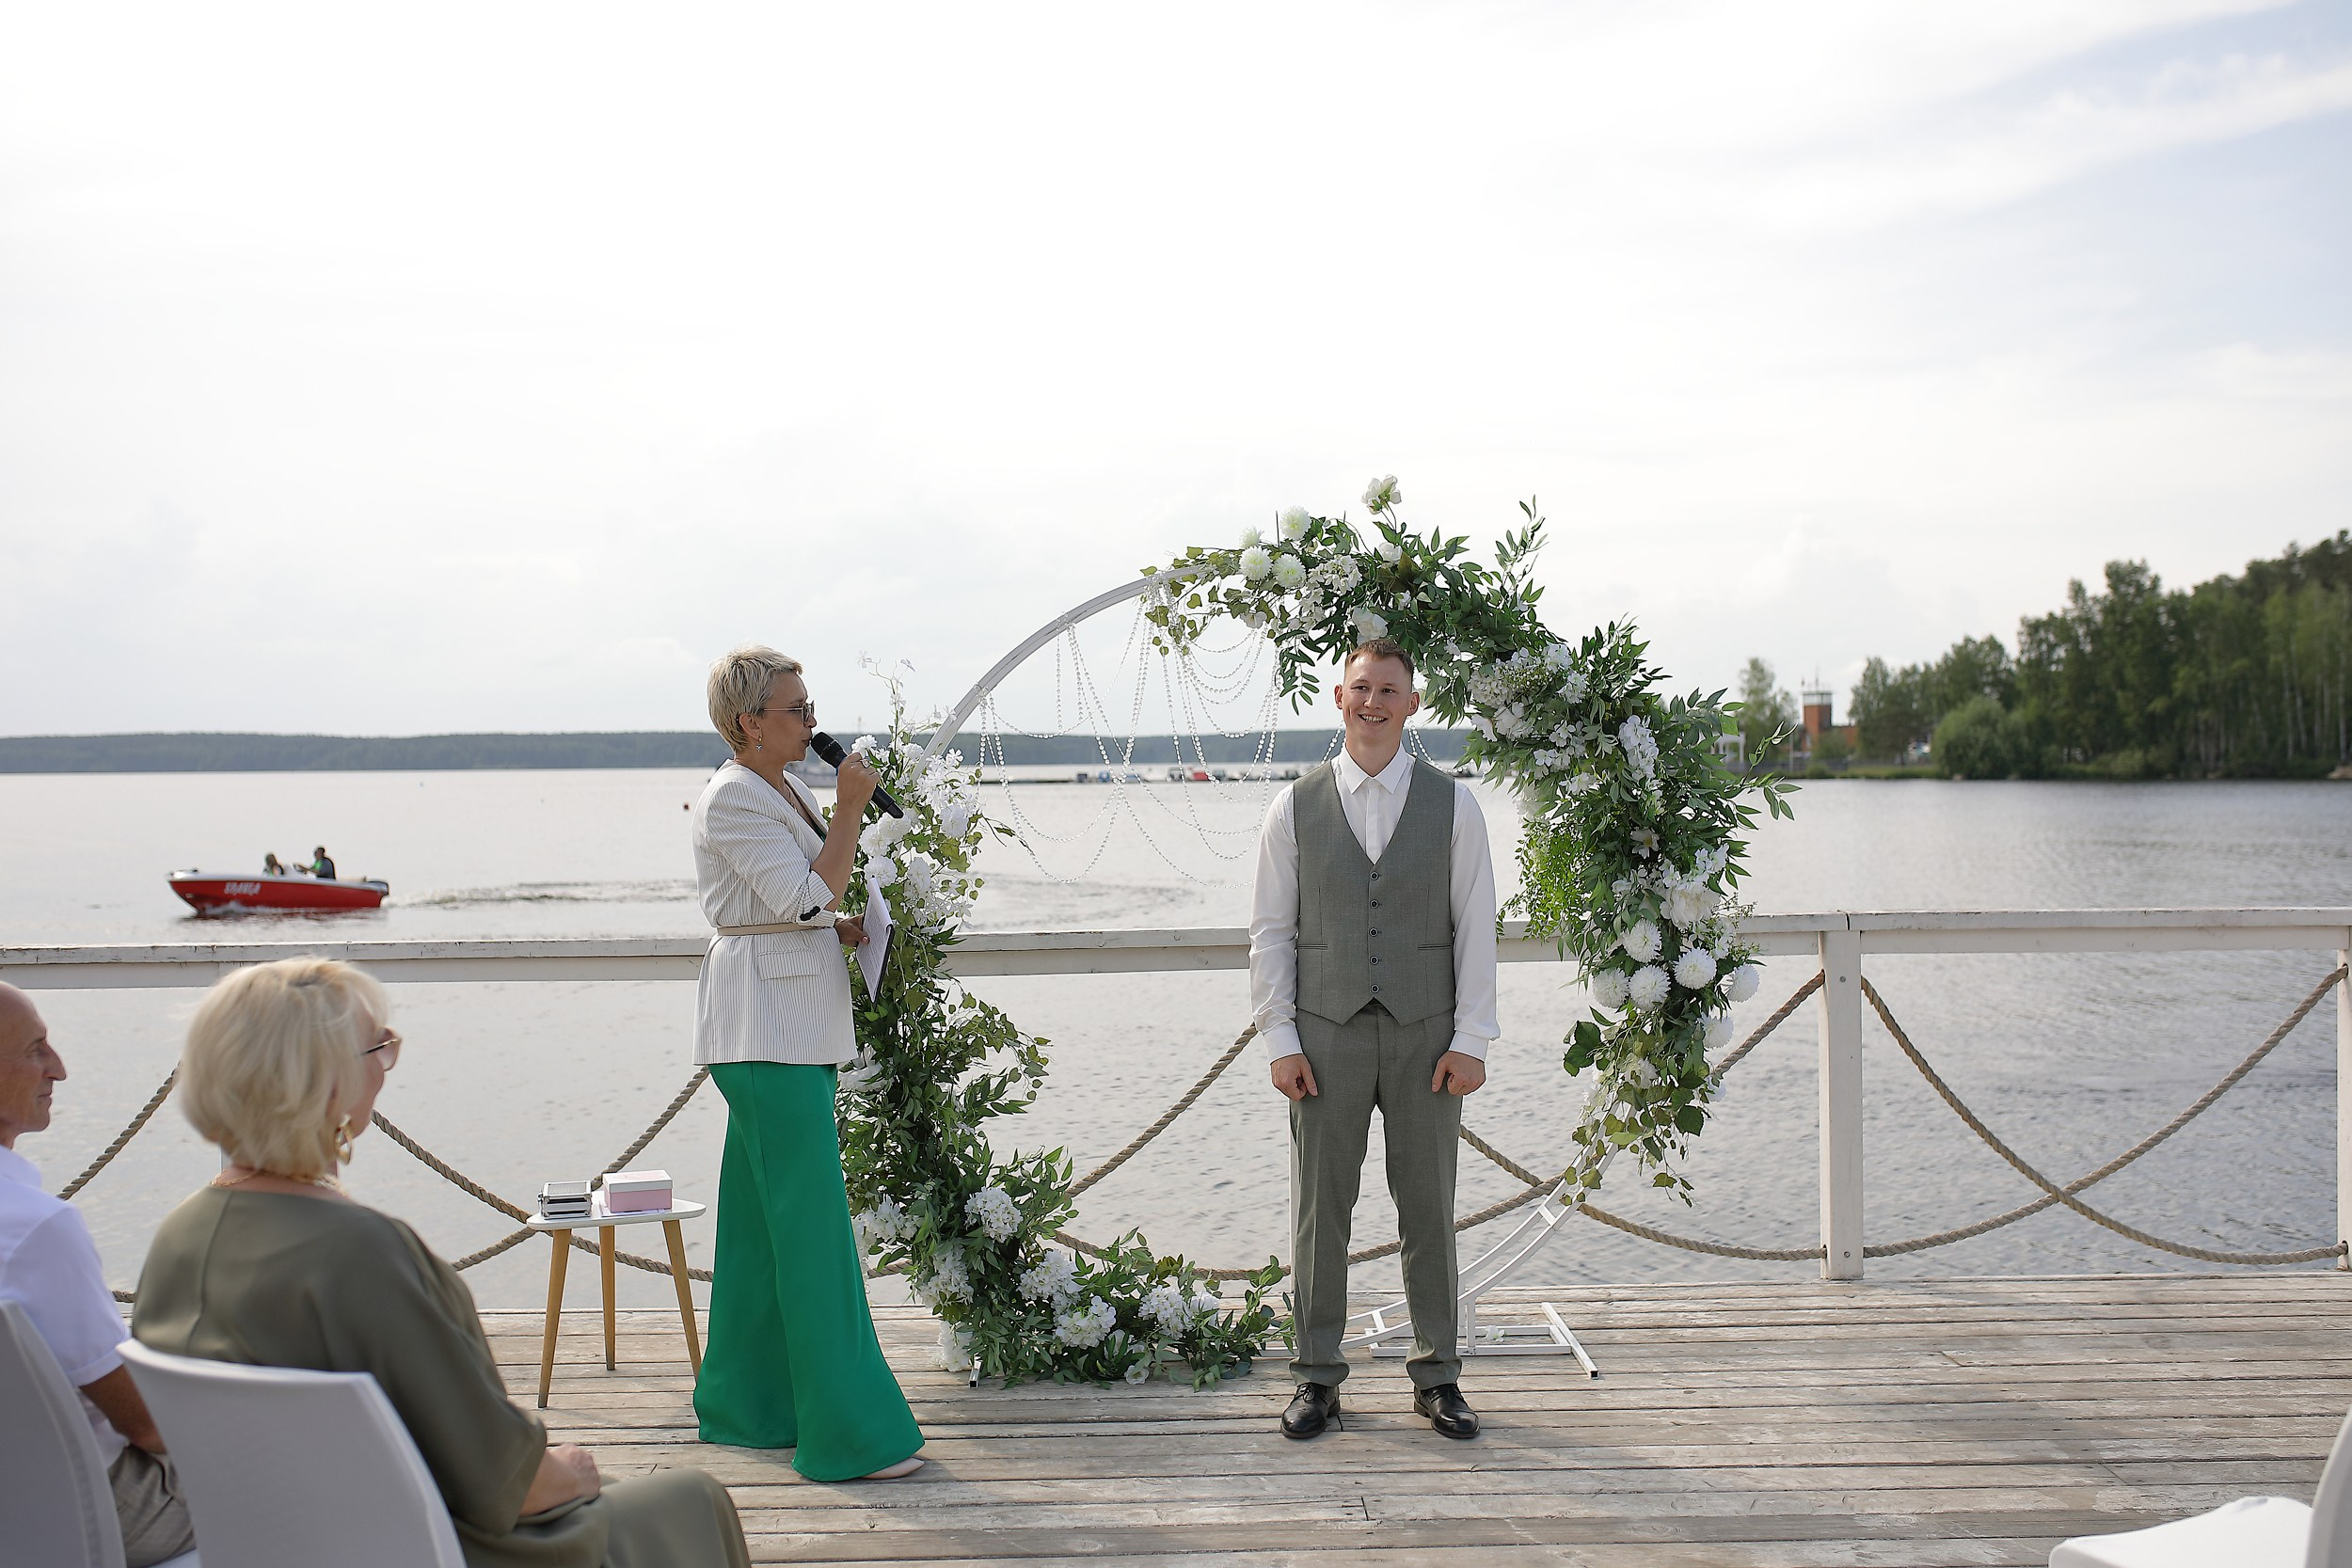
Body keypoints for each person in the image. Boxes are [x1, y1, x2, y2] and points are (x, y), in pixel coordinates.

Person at [132, 958, 751, 1568]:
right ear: (325, 1085)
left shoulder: (179, 1238)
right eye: (378, 1047)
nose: (387, 1065)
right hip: (435, 1545)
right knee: (692, 1499)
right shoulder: (360, 1253)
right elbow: (510, 1486)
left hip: (283, 1542)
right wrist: (571, 1470)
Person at [1251, 638, 1498, 1441]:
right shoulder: (1292, 807)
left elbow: (1477, 926)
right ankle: (1317, 1375)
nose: (1373, 702)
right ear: (1338, 696)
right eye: (1361, 687)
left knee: (1429, 1208)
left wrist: (1473, 1037)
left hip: (1429, 1036)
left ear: (1412, 703)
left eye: (1389, 689)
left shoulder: (1455, 805)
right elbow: (1271, 932)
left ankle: (1439, 1375)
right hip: (1324, 1037)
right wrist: (1280, 1037)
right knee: (1320, 1213)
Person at [689, 644, 925, 1481]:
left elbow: (803, 900)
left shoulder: (783, 789)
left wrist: (842, 923)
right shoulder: (731, 798)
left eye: (809, 704)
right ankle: (850, 1435)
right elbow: (801, 896)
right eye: (797, 709)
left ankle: (748, 1407)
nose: (813, 722)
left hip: (788, 1028)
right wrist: (852, 810)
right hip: (764, 1033)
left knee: (760, 1232)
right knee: (816, 1233)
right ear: (749, 722)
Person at [0, 983, 197, 1566]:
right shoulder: (36, 1228)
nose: (58, 1069)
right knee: (286, 1476)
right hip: (78, 1504)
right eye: (35, 1050)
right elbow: (144, 1424)